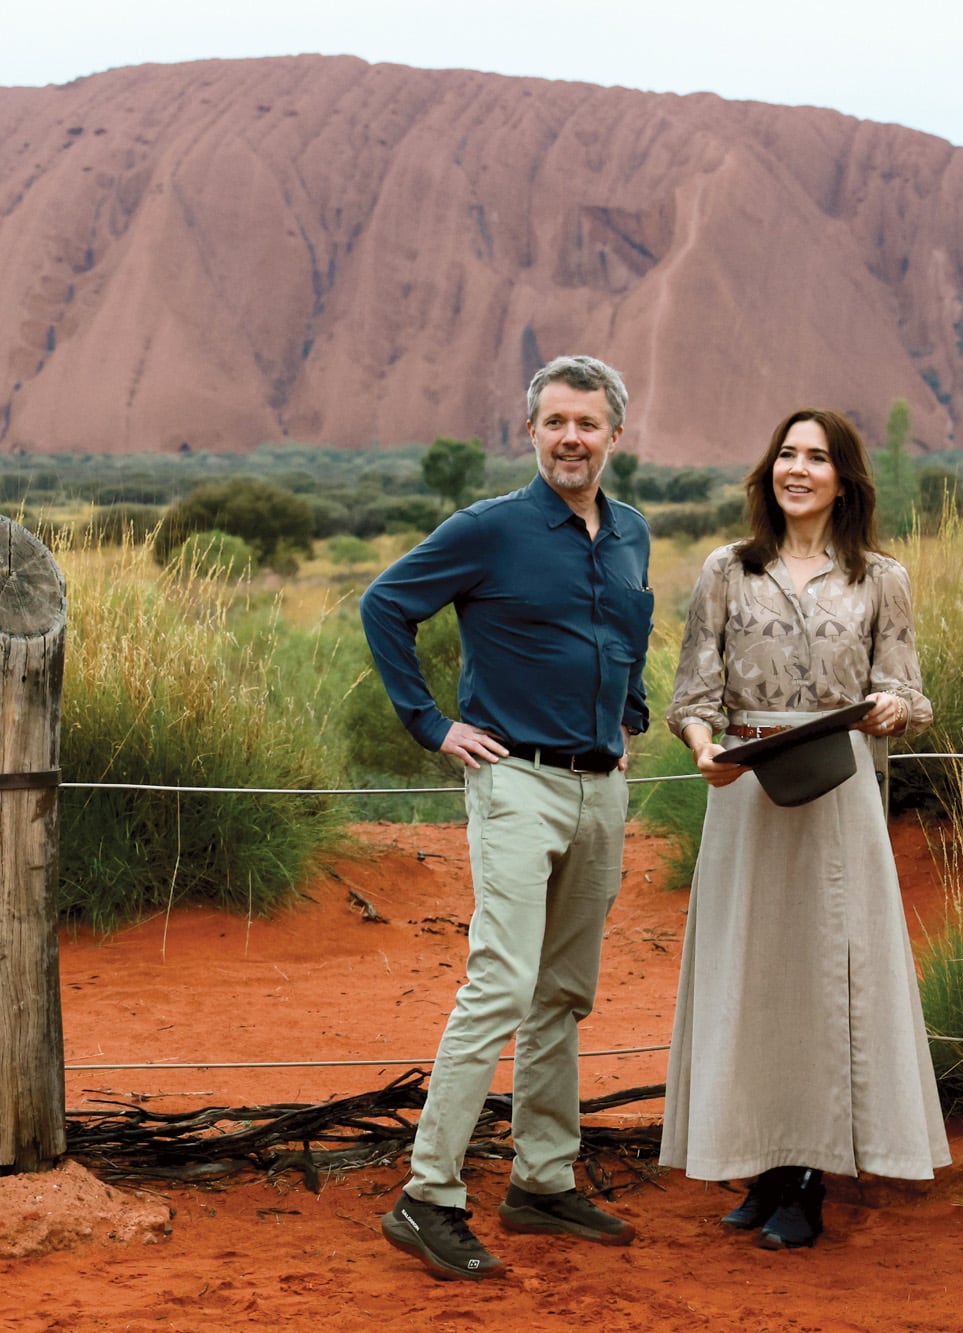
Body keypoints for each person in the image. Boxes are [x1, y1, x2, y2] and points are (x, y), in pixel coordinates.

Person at [359, 355, 655, 1280]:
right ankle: (428, 1194)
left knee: (565, 990)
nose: (573, 437)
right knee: (499, 981)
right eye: (556, 421)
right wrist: (431, 724)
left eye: (589, 423)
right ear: (530, 431)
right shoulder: (488, 530)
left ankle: (542, 1179)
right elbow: (385, 605)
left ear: (615, 435)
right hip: (516, 780)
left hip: (600, 786)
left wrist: (632, 712)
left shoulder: (632, 532)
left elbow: (625, 633)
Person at [660, 407, 949, 1249]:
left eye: (816, 457)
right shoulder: (726, 569)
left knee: (828, 982)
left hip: (838, 788)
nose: (797, 468)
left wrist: (894, 707)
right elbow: (693, 693)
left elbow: (910, 691)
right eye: (786, 453)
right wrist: (704, 747)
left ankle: (809, 1180)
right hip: (747, 787)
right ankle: (762, 1165)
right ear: (769, 471)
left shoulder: (879, 578)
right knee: (751, 977)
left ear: (843, 478)